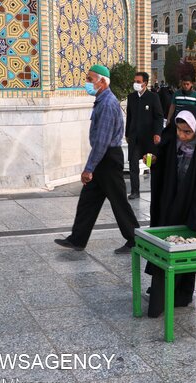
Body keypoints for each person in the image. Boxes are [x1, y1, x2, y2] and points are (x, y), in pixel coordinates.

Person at [54, 65, 139, 254]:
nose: (87, 83)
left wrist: (89, 168)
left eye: (90, 79)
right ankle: (78, 239)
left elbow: (102, 141)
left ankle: (135, 239)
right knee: (88, 199)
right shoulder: (102, 100)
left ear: (102, 82)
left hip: (108, 159)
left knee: (118, 201)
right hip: (105, 157)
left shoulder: (108, 103)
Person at [145, 107, 196, 318]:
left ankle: (181, 294)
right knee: (163, 248)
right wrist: (153, 159)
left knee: (183, 254)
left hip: (187, 210)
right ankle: (159, 297)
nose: (182, 136)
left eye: (187, 132)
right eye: (179, 131)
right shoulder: (171, 143)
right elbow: (159, 159)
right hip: (167, 205)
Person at [125, 72, 164, 199]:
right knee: (133, 166)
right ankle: (135, 191)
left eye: (138, 81)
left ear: (145, 83)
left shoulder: (153, 97)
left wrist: (157, 133)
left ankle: (157, 190)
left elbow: (158, 117)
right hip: (135, 139)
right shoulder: (131, 97)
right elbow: (129, 117)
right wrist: (127, 133)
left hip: (148, 140)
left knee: (150, 164)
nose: (135, 83)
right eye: (134, 81)